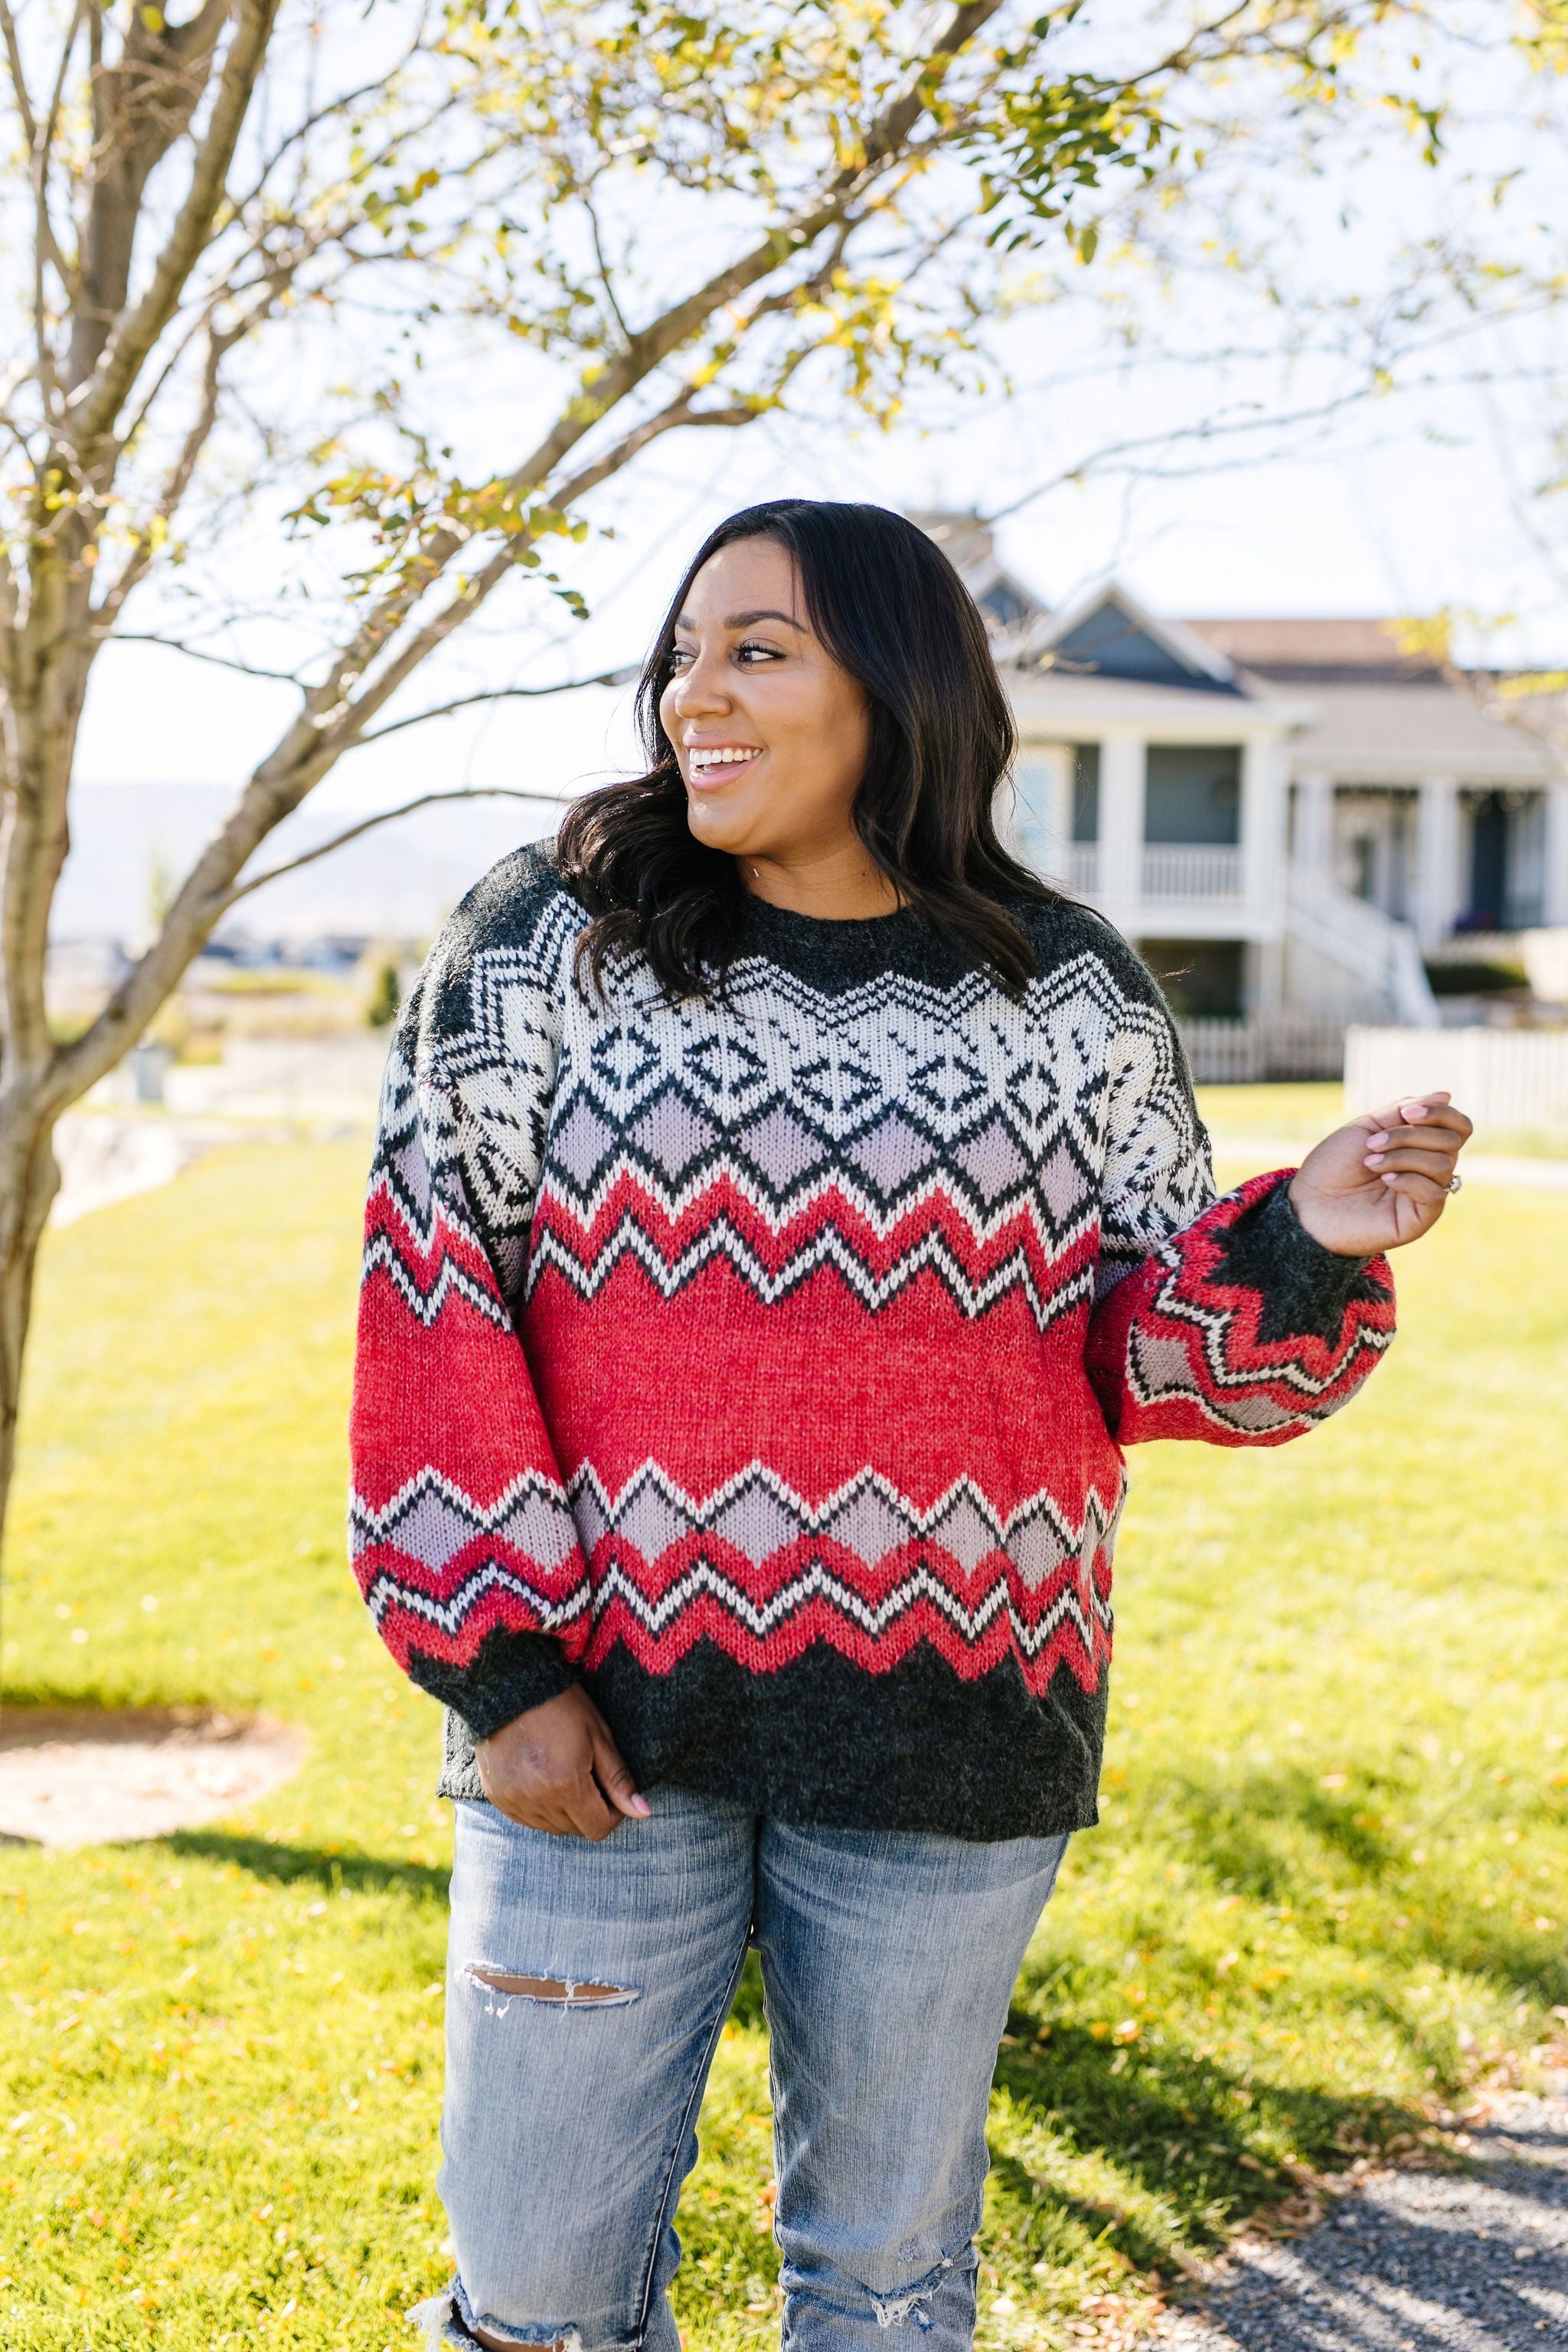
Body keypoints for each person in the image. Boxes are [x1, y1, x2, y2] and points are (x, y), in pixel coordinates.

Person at [348, 500, 1472, 2352]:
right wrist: (495, 1663)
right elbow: (434, 1287)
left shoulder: (1066, 984)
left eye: (757, 651)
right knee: (536, 2287)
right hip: (594, 1735)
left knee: (882, 2284)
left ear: (898, 681)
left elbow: (1152, 1356)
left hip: (954, 1722)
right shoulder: (554, 938)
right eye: (684, 654)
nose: (692, 695)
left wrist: (1302, 1235)